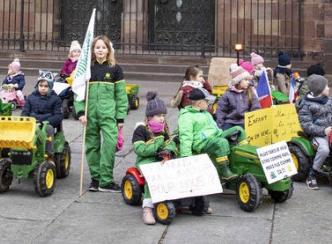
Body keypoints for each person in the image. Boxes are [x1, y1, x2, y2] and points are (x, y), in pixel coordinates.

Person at [75, 35, 127, 192]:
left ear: (108, 50)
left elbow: (121, 95)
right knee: (92, 146)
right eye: (97, 47)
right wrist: (80, 112)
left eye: (103, 47)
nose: (100, 50)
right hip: (89, 115)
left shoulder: (115, 68)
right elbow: (79, 92)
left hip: (108, 115)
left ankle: (106, 180)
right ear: (93, 50)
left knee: (110, 145)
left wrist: (120, 117)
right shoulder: (86, 68)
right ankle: (96, 179)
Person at [132, 92, 179, 225]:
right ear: (150, 116)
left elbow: (169, 143)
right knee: (152, 177)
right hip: (145, 161)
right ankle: (148, 208)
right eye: (159, 116)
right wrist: (157, 145)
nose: (162, 118)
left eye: (163, 115)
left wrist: (169, 149)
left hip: (160, 159)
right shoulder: (141, 130)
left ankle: (189, 201)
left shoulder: (163, 129)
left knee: (175, 170)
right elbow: (139, 149)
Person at [177, 88, 240, 181]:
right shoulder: (186, 117)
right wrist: (186, 157)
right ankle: (224, 171)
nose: (208, 104)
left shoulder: (205, 113)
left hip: (216, 136)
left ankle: (242, 154)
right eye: (207, 101)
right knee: (221, 142)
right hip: (203, 143)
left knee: (238, 129)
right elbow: (185, 137)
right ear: (199, 103)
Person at [296, 74, 332, 189]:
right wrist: (323, 131)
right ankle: (312, 174)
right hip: (317, 134)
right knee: (324, 149)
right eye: (326, 87)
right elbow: (306, 125)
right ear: (319, 90)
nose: (329, 88)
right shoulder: (306, 105)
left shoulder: (328, 100)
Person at [21, 72, 62, 157]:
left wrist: (45, 122)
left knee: (48, 129)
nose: (43, 88)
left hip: (46, 123)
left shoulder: (56, 99)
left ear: (50, 87)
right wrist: (27, 120)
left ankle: (48, 154)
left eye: (46, 86)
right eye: (41, 86)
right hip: (32, 123)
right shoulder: (31, 97)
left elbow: (58, 116)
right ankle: (22, 150)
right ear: (37, 86)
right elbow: (25, 112)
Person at [216, 64, 256, 129]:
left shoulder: (250, 93)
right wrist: (220, 126)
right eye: (245, 80)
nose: (248, 82)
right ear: (238, 82)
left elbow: (256, 108)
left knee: (242, 135)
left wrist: (253, 122)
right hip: (230, 122)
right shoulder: (227, 95)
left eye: (248, 80)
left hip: (245, 121)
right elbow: (221, 111)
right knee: (225, 134)